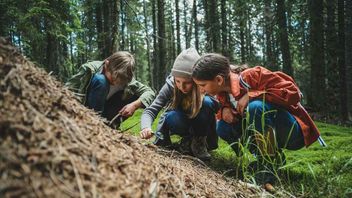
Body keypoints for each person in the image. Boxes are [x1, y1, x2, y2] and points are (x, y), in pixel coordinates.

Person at [192, 53, 323, 192]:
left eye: (203, 85)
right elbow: (231, 114)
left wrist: (252, 95)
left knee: (256, 107)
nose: (201, 90)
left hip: (293, 132)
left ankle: (267, 171)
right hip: (268, 134)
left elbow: (294, 93)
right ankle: (266, 159)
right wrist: (224, 110)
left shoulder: (252, 75)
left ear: (218, 80)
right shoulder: (222, 94)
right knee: (223, 127)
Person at [140, 48, 219, 160]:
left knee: (207, 102)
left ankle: (199, 142)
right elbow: (151, 110)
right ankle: (187, 140)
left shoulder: (205, 84)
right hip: (182, 121)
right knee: (171, 116)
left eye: (187, 83)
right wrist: (145, 127)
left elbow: (216, 106)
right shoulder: (170, 86)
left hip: (201, 123)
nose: (181, 87)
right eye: (178, 81)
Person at [65, 51, 155, 128]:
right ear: (107, 64)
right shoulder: (89, 69)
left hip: (107, 114)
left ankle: (109, 126)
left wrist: (134, 105)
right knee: (101, 81)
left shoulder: (127, 79)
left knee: (136, 96)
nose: (115, 83)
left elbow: (150, 92)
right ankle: (94, 123)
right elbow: (68, 90)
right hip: (86, 112)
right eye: (112, 79)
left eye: (119, 82)